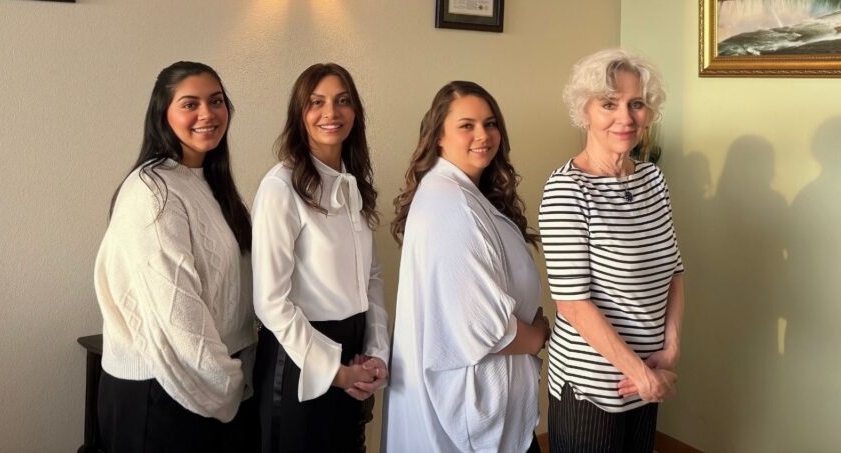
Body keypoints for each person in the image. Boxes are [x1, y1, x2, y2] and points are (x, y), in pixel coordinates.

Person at [94, 61, 258, 453]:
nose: (208, 114)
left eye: (216, 101)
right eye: (190, 104)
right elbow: (177, 312)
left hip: (207, 383)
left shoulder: (210, 183)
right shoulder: (153, 191)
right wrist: (229, 381)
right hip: (166, 387)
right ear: (162, 114)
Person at [384, 81, 550, 453]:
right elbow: (484, 329)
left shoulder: (457, 193)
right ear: (438, 137)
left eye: (490, 124)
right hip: (475, 414)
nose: (483, 135)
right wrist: (538, 336)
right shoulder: (452, 203)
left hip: (486, 401)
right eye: (466, 126)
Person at [539, 48, 685, 453]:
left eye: (636, 103)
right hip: (593, 386)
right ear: (584, 110)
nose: (626, 117)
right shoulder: (567, 190)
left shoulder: (652, 179)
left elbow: (674, 271)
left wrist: (670, 350)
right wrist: (641, 373)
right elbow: (573, 304)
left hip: (647, 376)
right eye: (609, 104)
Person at [250, 63, 390, 453]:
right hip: (299, 359)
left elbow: (372, 276)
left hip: (354, 352)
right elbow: (270, 302)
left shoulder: (353, 185)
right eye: (317, 102)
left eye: (342, 101)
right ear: (300, 113)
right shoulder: (280, 187)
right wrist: (334, 372)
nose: (331, 112)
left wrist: (377, 353)